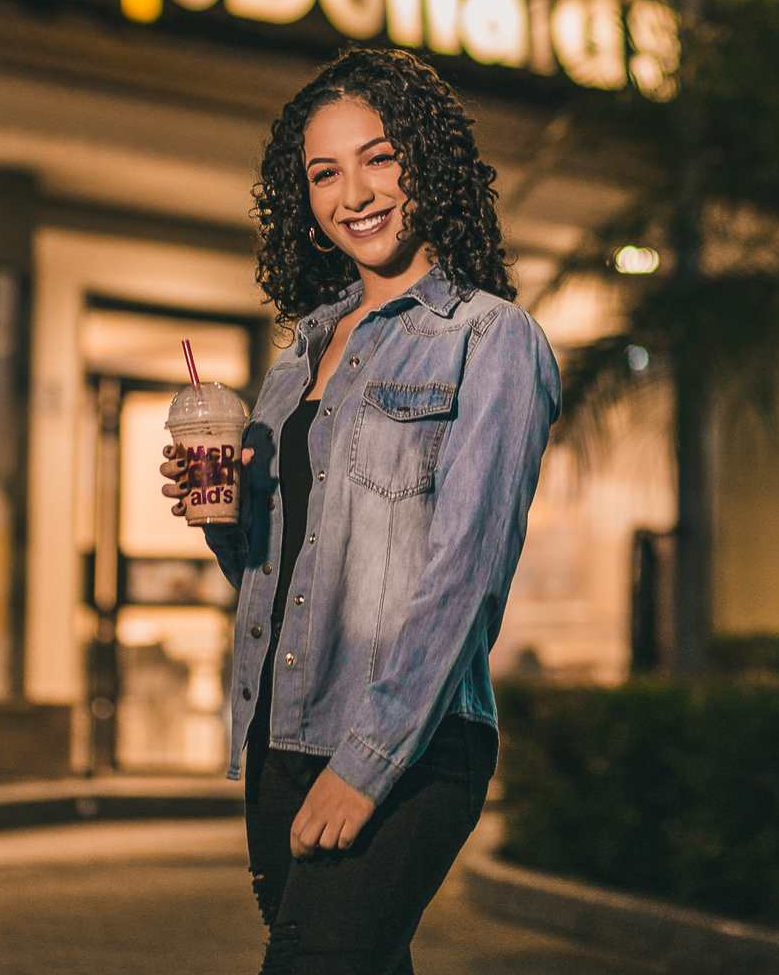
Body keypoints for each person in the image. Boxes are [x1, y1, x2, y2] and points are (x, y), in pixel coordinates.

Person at [160, 47, 560, 974]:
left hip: (408, 744)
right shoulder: (299, 354)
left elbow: (467, 577)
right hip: (278, 737)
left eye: (380, 158)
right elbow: (277, 571)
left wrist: (367, 762)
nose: (355, 192)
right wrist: (224, 520)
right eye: (324, 172)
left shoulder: (491, 339)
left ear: (429, 163)